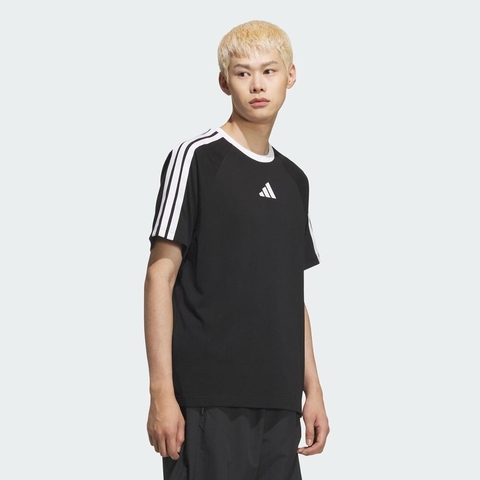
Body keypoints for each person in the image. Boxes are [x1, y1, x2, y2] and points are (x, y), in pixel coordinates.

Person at [144, 19, 330, 480]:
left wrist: (313, 390)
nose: (257, 85)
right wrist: (162, 394)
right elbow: (159, 276)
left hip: (279, 405)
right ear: (224, 81)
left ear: (290, 75)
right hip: (208, 402)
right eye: (243, 73)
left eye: (269, 71)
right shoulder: (197, 158)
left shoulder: (295, 180)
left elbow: (291, 293)